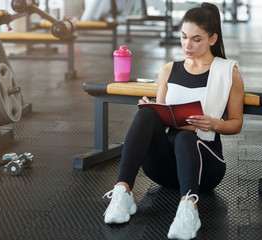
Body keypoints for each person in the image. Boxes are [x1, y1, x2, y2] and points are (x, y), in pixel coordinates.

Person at [102, 2, 244, 239]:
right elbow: (163, 116)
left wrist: (213, 123)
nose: (187, 45)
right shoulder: (169, 69)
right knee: (147, 113)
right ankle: (122, 192)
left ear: (212, 39)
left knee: (186, 137)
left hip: (205, 166)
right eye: (183, 37)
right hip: (164, 168)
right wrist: (154, 110)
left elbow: (236, 123)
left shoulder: (229, 72)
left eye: (196, 39)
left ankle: (189, 208)